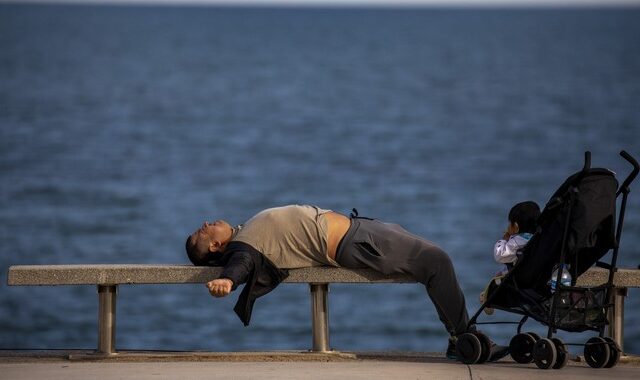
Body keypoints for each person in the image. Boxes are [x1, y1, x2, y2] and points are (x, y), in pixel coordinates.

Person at [185, 204, 507, 361]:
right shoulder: (242, 248)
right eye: (202, 232)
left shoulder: (244, 235)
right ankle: (466, 339)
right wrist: (227, 281)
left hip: (360, 229)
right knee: (438, 262)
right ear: (215, 247)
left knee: (433, 259)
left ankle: (459, 337)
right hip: (357, 243)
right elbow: (242, 265)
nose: (204, 224)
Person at [480, 201, 541, 315]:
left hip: (518, 280)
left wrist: (504, 239)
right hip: (535, 278)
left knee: (498, 276)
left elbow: (500, 255)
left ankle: (488, 297)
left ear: (516, 227)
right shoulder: (538, 239)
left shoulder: (517, 242)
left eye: (510, 223)